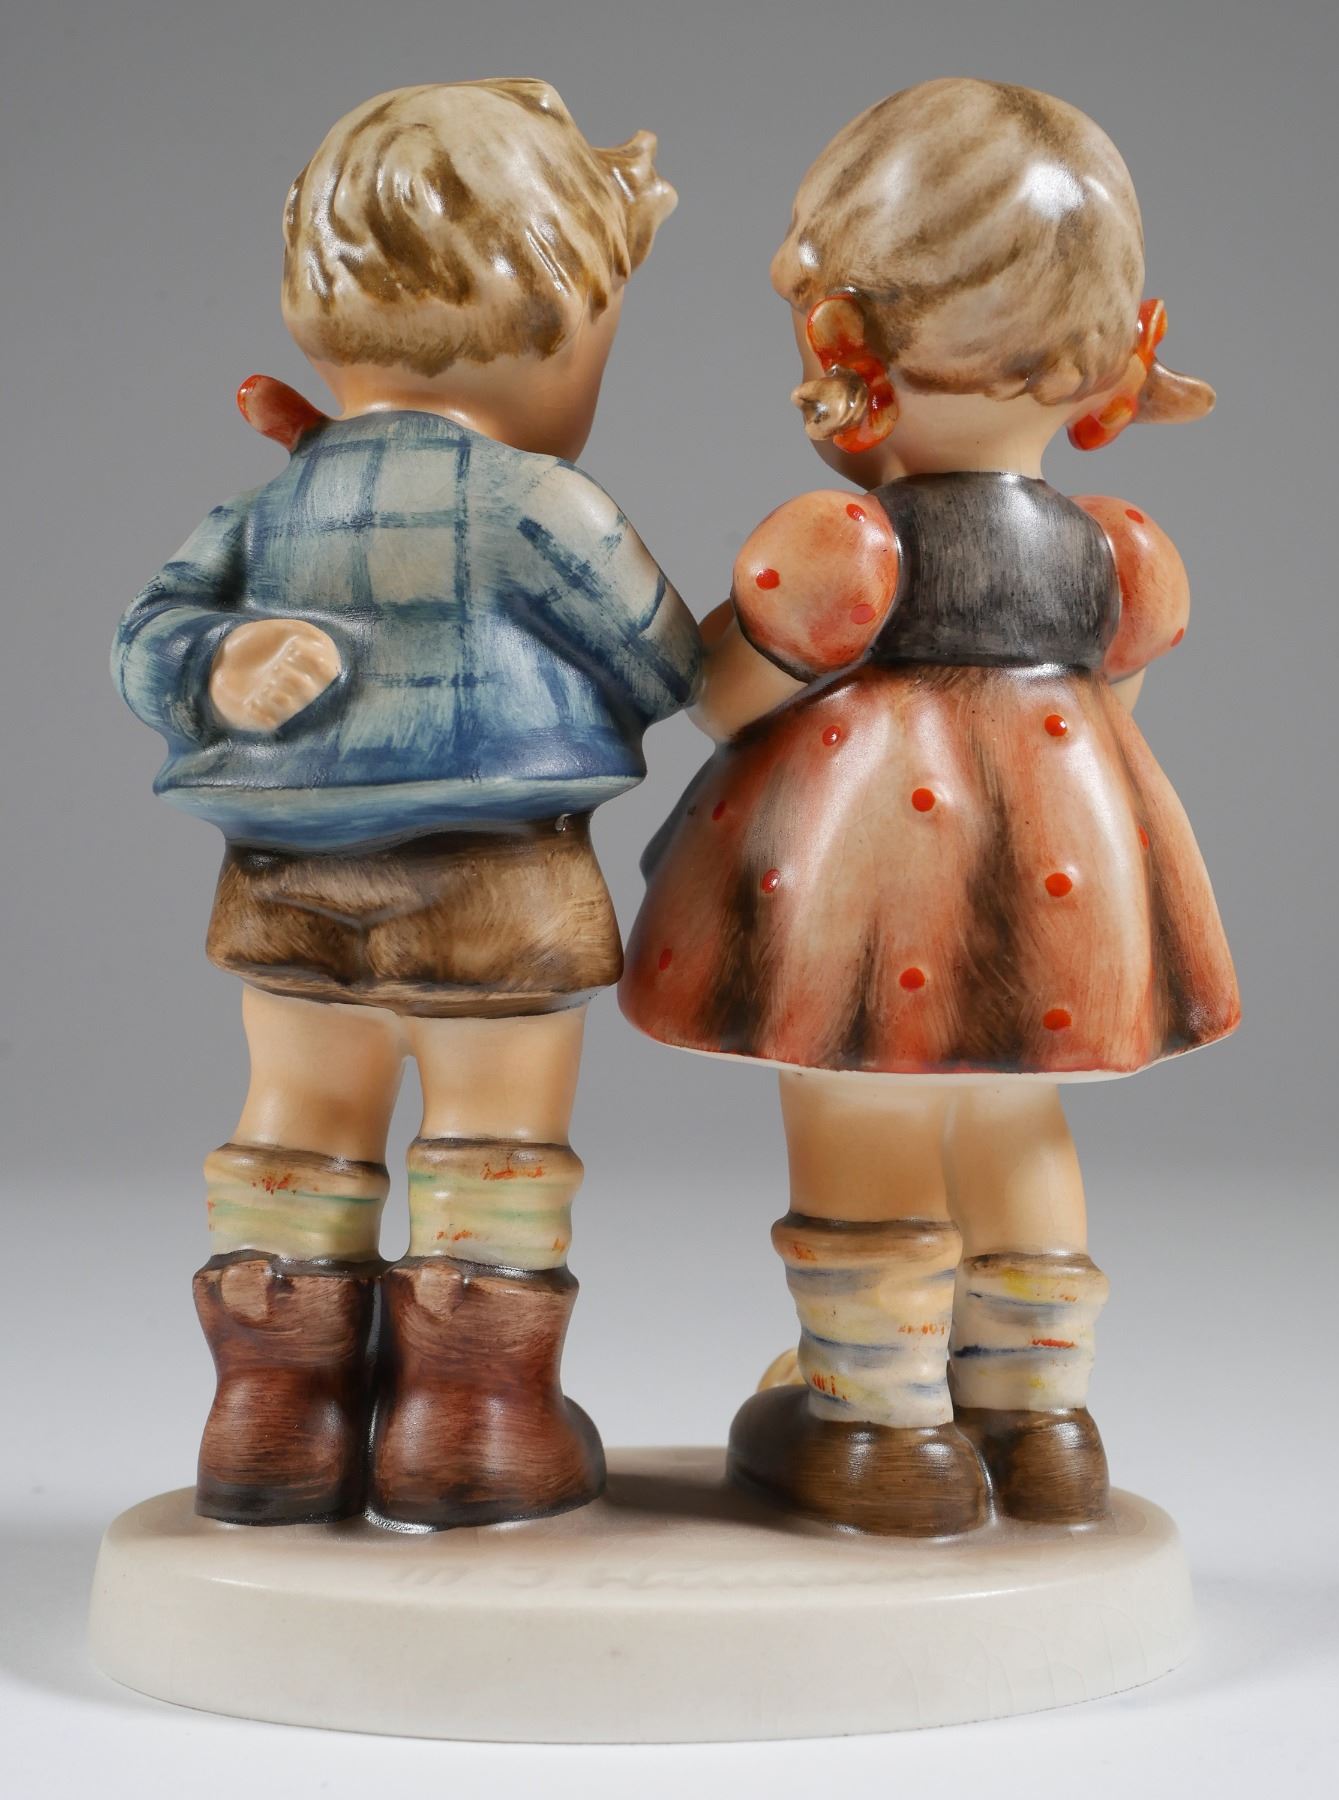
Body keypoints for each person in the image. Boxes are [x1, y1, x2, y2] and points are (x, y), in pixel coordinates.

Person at [620, 78, 1238, 1534]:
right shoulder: (1119, 553)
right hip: (1061, 881)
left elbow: (719, 696)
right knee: (1018, 1120)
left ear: (842, 338)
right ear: (1106, 366)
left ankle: (881, 1420)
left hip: (866, 886)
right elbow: (1112, 718)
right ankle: (1039, 1414)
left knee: (867, 1110)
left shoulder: (844, 543)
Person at [113, 80, 699, 1529]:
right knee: (494, 1133)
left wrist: (219, 663)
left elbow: (146, 633)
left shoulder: (271, 504)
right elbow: (665, 664)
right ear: (557, 319)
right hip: (498, 887)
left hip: (287, 883)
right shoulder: (536, 502)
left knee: (298, 1115)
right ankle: (472, 1417)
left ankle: (274, 1408)